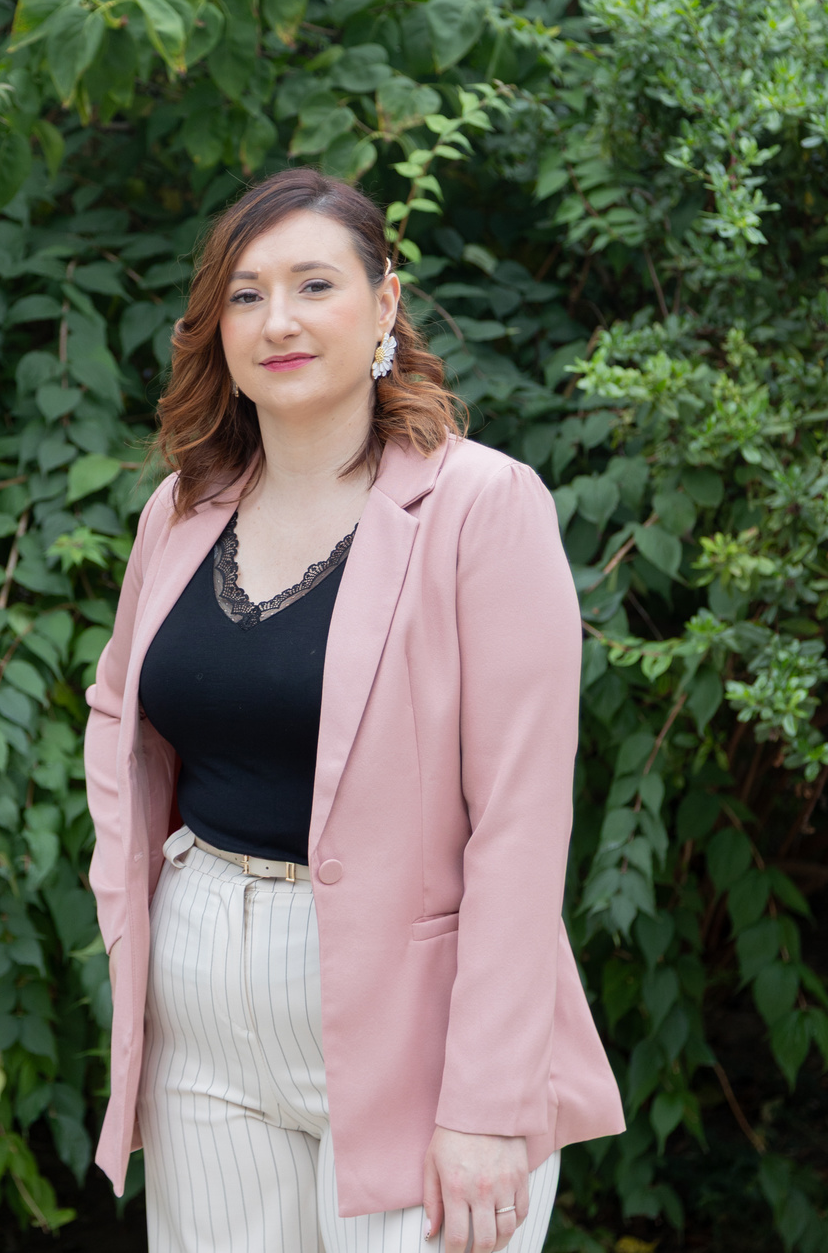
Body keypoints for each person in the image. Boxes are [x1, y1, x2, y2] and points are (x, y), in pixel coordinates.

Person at [84, 168, 625, 1253]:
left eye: (312, 284)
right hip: (202, 1012)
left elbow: (521, 823)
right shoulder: (182, 509)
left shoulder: (482, 505)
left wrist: (482, 1100)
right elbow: (121, 722)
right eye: (243, 294)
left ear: (383, 304)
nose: (275, 320)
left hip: (417, 1028)